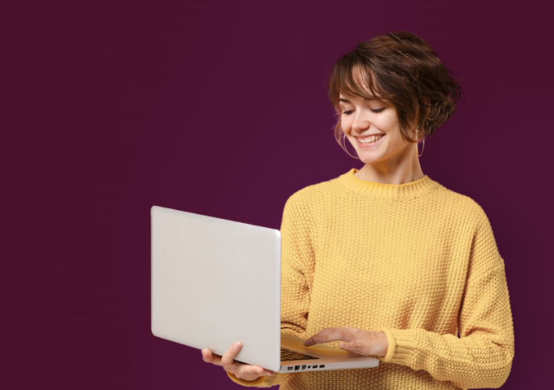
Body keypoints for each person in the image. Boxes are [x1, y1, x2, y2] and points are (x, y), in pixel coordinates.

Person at [200, 30, 515, 389]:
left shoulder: (463, 218)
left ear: (421, 109)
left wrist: (390, 345)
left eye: (376, 108)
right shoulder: (309, 206)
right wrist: (254, 366)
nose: (356, 124)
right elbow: (288, 335)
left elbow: (494, 359)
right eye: (347, 109)